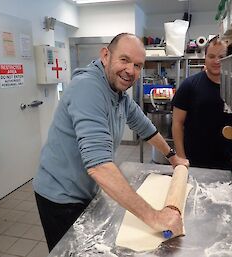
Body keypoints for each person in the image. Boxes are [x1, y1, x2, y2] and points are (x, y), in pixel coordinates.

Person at [33, 32, 189, 252]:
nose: (130, 70)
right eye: (124, 60)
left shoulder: (119, 94)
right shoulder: (87, 88)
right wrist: (155, 218)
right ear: (105, 55)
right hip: (60, 196)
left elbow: (145, 127)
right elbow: (99, 166)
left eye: (137, 65)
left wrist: (173, 157)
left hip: (86, 189)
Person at [172, 36, 232, 170]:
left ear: (229, 59)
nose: (216, 61)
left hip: (230, 159)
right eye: (211, 56)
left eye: (222, 56)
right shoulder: (189, 85)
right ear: (205, 57)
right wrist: (181, 156)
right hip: (195, 159)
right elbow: (177, 123)